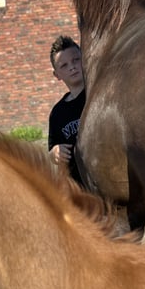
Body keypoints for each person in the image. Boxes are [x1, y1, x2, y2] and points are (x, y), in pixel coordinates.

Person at [48, 35, 86, 186]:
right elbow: (52, 150)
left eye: (76, 60)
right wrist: (55, 153)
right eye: (64, 65)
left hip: (109, 182)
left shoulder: (98, 95)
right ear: (57, 75)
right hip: (80, 189)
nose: (72, 66)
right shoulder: (58, 113)